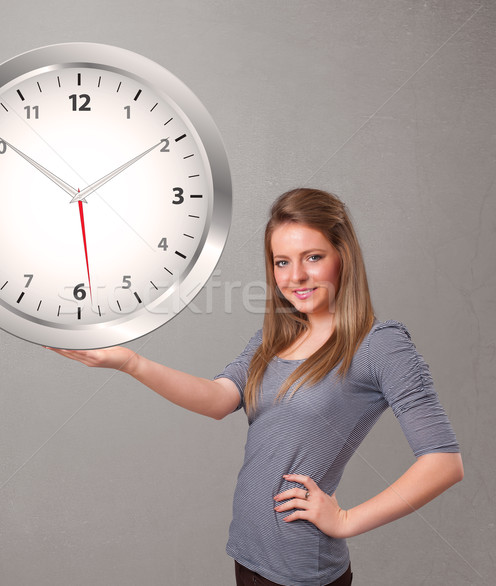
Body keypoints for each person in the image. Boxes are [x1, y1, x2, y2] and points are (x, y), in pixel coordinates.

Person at [49, 188, 463, 585]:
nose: (296, 275)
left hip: (300, 570)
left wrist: (346, 520)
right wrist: (131, 362)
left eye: (313, 257)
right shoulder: (273, 338)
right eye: (281, 262)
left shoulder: (379, 344)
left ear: (343, 256)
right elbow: (217, 400)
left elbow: (444, 462)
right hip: (249, 556)